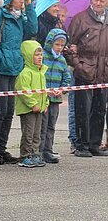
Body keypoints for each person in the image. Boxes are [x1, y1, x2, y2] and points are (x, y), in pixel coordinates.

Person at [0, 0, 37, 166]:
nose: (21, 1)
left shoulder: (20, 17)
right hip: (3, 68)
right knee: (0, 110)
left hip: (15, 67)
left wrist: (30, 7)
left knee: (9, 111)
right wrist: (0, 59)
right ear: (9, 0)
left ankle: (1, 149)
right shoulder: (1, 16)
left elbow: (33, 30)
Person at [67, 0, 108, 158]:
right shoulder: (80, 19)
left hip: (103, 73)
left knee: (99, 110)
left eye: (102, 0)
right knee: (82, 110)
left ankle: (94, 145)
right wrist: (79, 66)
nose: (98, 3)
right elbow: (69, 48)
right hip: (85, 72)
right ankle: (81, 145)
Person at [15, 41, 49, 168]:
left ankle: (35, 154)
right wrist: (33, 104)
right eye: (36, 54)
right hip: (28, 110)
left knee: (36, 133)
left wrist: (46, 103)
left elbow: (44, 90)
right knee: (28, 134)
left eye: (41, 54)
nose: (40, 57)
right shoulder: (25, 73)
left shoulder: (41, 73)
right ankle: (25, 156)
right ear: (29, 56)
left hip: (39, 108)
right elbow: (24, 92)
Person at [41, 28, 71, 163]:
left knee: (51, 125)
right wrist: (44, 90)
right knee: (42, 124)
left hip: (56, 99)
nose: (59, 47)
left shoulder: (62, 61)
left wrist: (62, 89)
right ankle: (39, 150)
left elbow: (67, 78)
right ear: (50, 43)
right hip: (44, 98)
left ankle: (48, 149)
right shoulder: (43, 57)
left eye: (61, 45)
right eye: (57, 44)